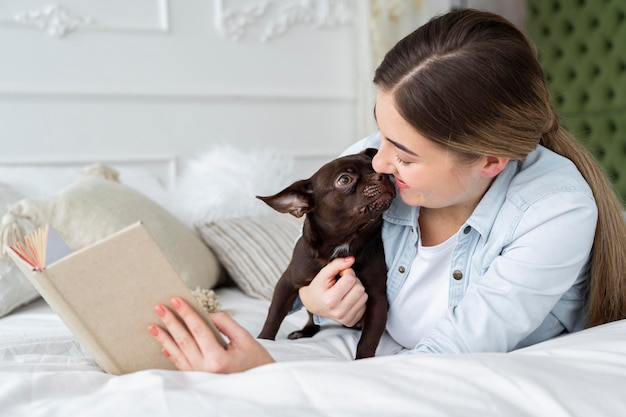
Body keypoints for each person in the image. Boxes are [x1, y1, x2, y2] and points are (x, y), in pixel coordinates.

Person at [147, 8, 626, 373]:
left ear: (490, 162)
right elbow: (315, 262)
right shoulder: (377, 166)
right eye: (380, 134)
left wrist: (270, 373)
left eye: (405, 154)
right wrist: (316, 302)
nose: (376, 161)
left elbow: (448, 360)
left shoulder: (553, 212)